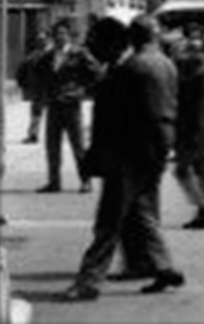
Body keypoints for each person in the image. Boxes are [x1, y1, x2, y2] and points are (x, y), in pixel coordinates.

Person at [60, 17, 184, 302]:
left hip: (127, 153)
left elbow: (110, 121)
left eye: (97, 43)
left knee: (109, 221)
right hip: (155, 149)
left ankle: (88, 282)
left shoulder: (129, 70)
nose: (92, 49)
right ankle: (163, 266)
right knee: (139, 213)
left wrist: (93, 159)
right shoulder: (165, 63)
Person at [39, 20, 103, 193]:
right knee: (52, 146)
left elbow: (97, 73)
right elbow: (41, 76)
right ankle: (54, 182)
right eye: (57, 34)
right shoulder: (48, 55)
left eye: (63, 33)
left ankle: (85, 181)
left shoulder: (79, 53)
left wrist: (82, 91)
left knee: (78, 146)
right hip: (54, 105)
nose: (59, 37)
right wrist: (45, 94)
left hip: (72, 105)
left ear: (69, 36)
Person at [172, 28, 204, 230]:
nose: (188, 53)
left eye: (193, 49)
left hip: (197, 131)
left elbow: (200, 107)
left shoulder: (201, 74)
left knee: (182, 170)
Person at [16, 30, 51, 145]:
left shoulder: (54, 53)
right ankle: (33, 135)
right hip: (38, 89)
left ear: (48, 39)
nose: (41, 42)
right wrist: (23, 83)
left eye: (43, 39)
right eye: (39, 40)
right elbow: (22, 69)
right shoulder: (34, 55)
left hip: (53, 89)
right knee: (36, 113)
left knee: (58, 114)